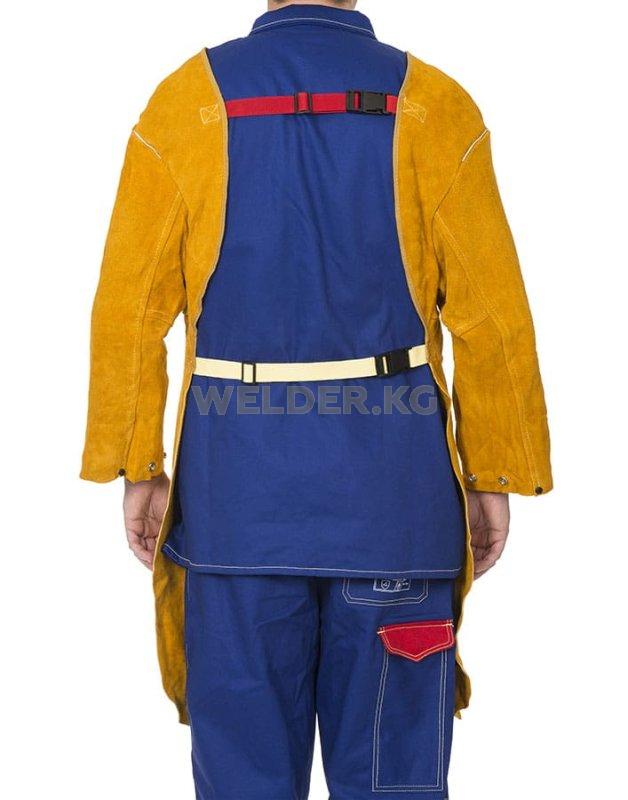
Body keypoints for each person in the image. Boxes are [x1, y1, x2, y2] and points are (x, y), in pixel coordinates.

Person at [81, 1, 552, 797]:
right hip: (396, 514)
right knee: (393, 784)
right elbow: (492, 318)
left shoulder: (189, 102)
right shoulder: (432, 105)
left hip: (234, 517)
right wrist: (495, 472)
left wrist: (136, 464)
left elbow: (127, 310)